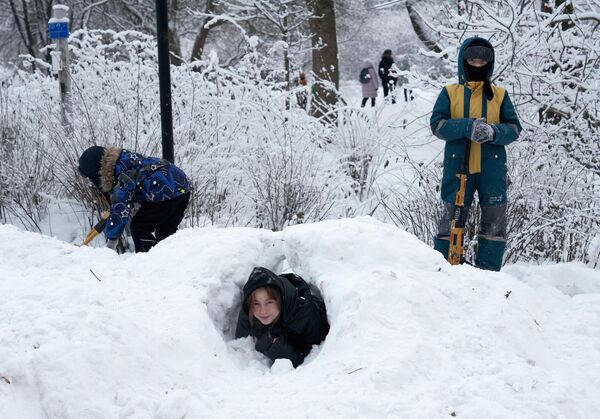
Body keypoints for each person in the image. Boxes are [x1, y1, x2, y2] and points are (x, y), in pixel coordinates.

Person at [430, 37, 522, 271]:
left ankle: (488, 275)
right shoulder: (450, 93)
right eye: (472, 59)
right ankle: (444, 271)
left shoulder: (500, 95)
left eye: (482, 61)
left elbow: (514, 128)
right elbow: (437, 125)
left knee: (494, 225)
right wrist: (466, 127)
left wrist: (493, 132)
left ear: (489, 64)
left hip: (492, 170)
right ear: (463, 61)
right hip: (457, 168)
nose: (477, 65)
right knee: (451, 221)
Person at [78, 146, 191, 253]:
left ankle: (148, 264)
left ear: (99, 173)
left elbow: (120, 209)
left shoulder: (121, 175)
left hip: (164, 191)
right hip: (182, 186)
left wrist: (111, 243)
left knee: (139, 228)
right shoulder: (125, 159)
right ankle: (174, 262)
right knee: (165, 232)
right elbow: (139, 180)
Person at [235, 267, 329, 367]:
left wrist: (278, 349)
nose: (263, 311)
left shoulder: (304, 316)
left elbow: (315, 356)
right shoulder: (250, 310)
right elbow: (239, 342)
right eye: (256, 303)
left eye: (269, 302)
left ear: (280, 300)